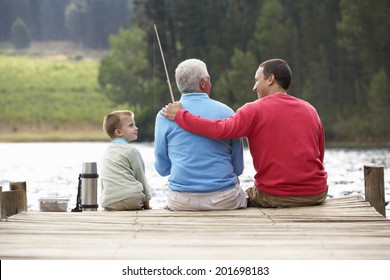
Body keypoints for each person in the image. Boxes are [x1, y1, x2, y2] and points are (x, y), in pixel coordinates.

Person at [161, 58, 328, 208]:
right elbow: (319, 155)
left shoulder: (254, 109)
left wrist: (181, 116)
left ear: (271, 79)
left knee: (245, 195)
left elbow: (220, 130)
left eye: (257, 80)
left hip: (275, 196)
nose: (254, 86)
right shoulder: (310, 109)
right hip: (316, 193)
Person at [154, 58, 247, 211]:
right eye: (209, 79)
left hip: (182, 201)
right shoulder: (227, 112)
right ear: (203, 83)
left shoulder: (164, 115)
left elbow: (162, 169)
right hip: (224, 200)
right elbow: (238, 168)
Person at [100, 110, 151, 210]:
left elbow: (104, 180)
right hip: (132, 199)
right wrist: (147, 202)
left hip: (110, 202)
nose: (136, 128)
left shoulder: (106, 152)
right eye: (131, 125)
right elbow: (140, 176)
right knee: (135, 194)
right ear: (119, 132)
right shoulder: (132, 151)